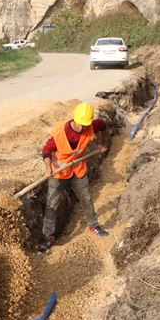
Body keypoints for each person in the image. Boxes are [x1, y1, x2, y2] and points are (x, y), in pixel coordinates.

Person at [38, 102, 109, 252]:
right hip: (59, 172)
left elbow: (103, 126)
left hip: (78, 169)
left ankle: (94, 225)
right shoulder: (60, 133)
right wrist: (48, 169)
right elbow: (46, 151)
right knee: (52, 204)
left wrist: (102, 144)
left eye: (85, 125)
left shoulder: (91, 125)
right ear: (74, 118)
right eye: (80, 124)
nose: (82, 128)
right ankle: (48, 236)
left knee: (86, 199)